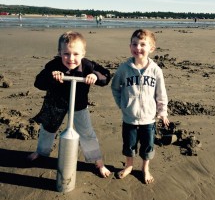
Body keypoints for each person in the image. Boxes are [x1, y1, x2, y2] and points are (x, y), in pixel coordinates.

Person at [27, 31, 111, 178]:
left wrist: (95, 76)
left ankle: (97, 161)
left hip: (79, 105)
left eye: (76, 54)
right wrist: (52, 76)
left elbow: (105, 76)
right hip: (55, 104)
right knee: (48, 128)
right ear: (59, 52)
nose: (71, 58)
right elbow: (38, 82)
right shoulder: (53, 65)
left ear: (83, 53)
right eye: (66, 54)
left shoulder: (88, 65)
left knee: (87, 133)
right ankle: (41, 151)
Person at [111, 29, 169, 184]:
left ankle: (145, 168)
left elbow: (161, 93)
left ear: (151, 48)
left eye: (143, 44)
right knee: (129, 144)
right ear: (130, 46)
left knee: (147, 146)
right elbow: (115, 87)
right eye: (134, 44)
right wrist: (122, 104)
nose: (138, 48)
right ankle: (129, 166)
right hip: (129, 117)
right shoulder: (124, 69)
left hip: (149, 118)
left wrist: (163, 112)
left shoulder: (156, 70)